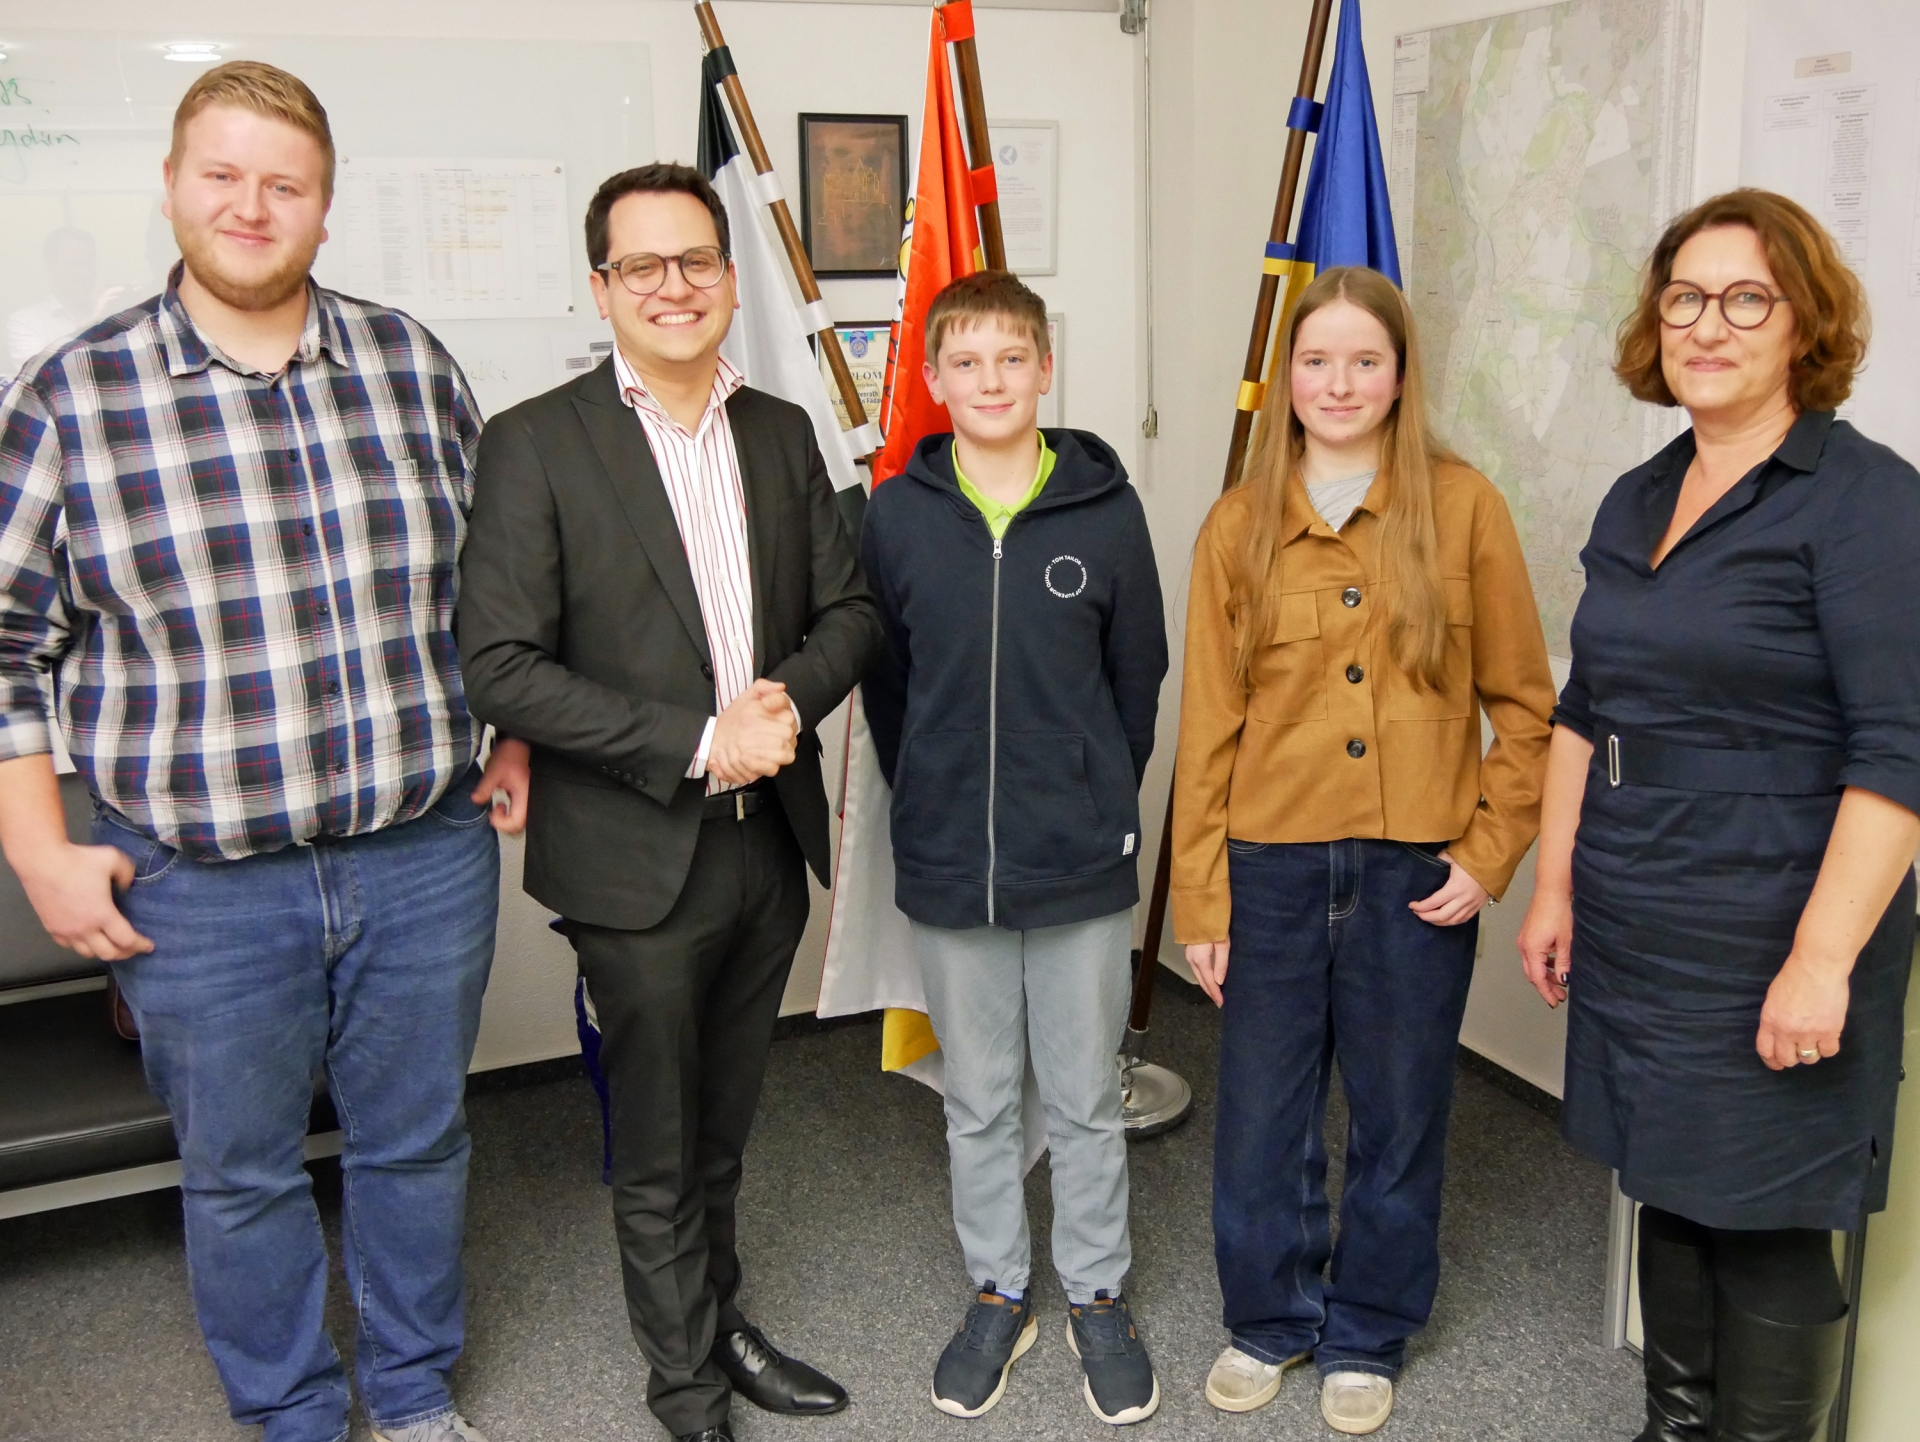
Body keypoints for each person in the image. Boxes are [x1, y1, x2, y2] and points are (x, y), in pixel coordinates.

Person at [0, 62, 520, 1442]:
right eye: (222, 175)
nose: (251, 205)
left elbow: (501, 585)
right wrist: (38, 848)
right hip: (202, 884)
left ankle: (412, 1392)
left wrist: (517, 726)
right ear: (173, 187)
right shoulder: (70, 395)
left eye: (284, 183)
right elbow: (5, 643)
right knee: (239, 1172)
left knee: (418, 1140)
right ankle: (292, 1411)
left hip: (422, 854)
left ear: (325, 206)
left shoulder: (411, 365)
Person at [455, 163, 882, 1442]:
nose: (673, 285)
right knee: (654, 1141)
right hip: (630, 855)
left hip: (765, 847)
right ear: (602, 288)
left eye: (695, 260)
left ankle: (719, 1319)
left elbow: (852, 611)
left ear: (731, 278)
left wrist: (781, 707)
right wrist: (702, 740)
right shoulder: (535, 441)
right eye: (641, 265)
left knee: (724, 1125)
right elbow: (502, 665)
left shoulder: (781, 432)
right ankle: (686, 1390)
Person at [1517, 189, 1920, 1442]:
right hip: (1642, 911)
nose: (1707, 324)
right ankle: (1675, 1426)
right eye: (1686, 297)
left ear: (1804, 322)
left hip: (1774, 920)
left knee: (1771, 1212)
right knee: (1671, 1184)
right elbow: (1585, 706)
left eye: (1747, 299)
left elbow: (1899, 750)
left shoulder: (1864, 499)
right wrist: (1555, 884)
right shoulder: (1640, 494)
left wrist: (1820, 960)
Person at [1172, 265, 1555, 1436]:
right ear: (1288, 375)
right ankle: (1272, 1316)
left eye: (1365, 360)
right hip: (1271, 867)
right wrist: (1201, 897)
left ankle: (1369, 1326)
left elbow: (1527, 705)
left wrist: (1488, 852)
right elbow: (1207, 727)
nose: (1339, 383)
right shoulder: (1238, 524)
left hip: (1414, 873)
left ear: (1400, 375)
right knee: (1264, 1118)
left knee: (1400, 1110)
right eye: (1317, 360)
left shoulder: (1465, 508)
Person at [860, 269, 1169, 1426]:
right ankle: (1000, 1285)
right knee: (980, 1096)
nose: (989, 380)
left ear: (1044, 367)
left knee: (1084, 1094)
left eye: (1010, 357)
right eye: (966, 361)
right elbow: (887, 683)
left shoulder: (1106, 510)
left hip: (1078, 854)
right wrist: (942, 785)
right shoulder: (896, 516)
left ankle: (1097, 1291)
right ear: (934, 379)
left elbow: (1137, 677)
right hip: (951, 855)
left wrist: (1089, 787)